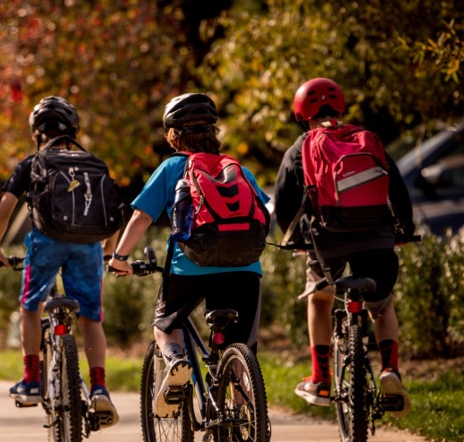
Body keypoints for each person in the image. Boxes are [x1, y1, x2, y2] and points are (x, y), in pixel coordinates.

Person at [108, 92, 271, 412]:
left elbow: (141, 216)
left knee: (165, 326)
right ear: (214, 133)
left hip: (189, 267)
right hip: (244, 268)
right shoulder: (237, 168)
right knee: (240, 349)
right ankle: (245, 425)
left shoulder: (172, 167)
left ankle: (175, 361)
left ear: (173, 136)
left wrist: (120, 258)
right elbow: (263, 211)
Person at [273, 77, 415, 417]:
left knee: (320, 298)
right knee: (381, 306)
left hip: (327, 239)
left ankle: (321, 379)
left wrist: (295, 241)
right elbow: (397, 189)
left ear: (300, 112)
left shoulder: (300, 147)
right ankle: (390, 369)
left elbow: (283, 201)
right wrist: (404, 231)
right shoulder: (366, 139)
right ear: (340, 108)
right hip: (377, 235)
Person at [0, 95, 119, 427]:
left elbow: (3, 212)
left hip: (46, 244)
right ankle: (100, 387)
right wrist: (108, 250)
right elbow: (113, 212)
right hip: (89, 246)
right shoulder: (93, 164)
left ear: (36, 134)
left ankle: (31, 380)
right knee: (91, 317)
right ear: (73, 130)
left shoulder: (31, 164)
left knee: (30, 306)